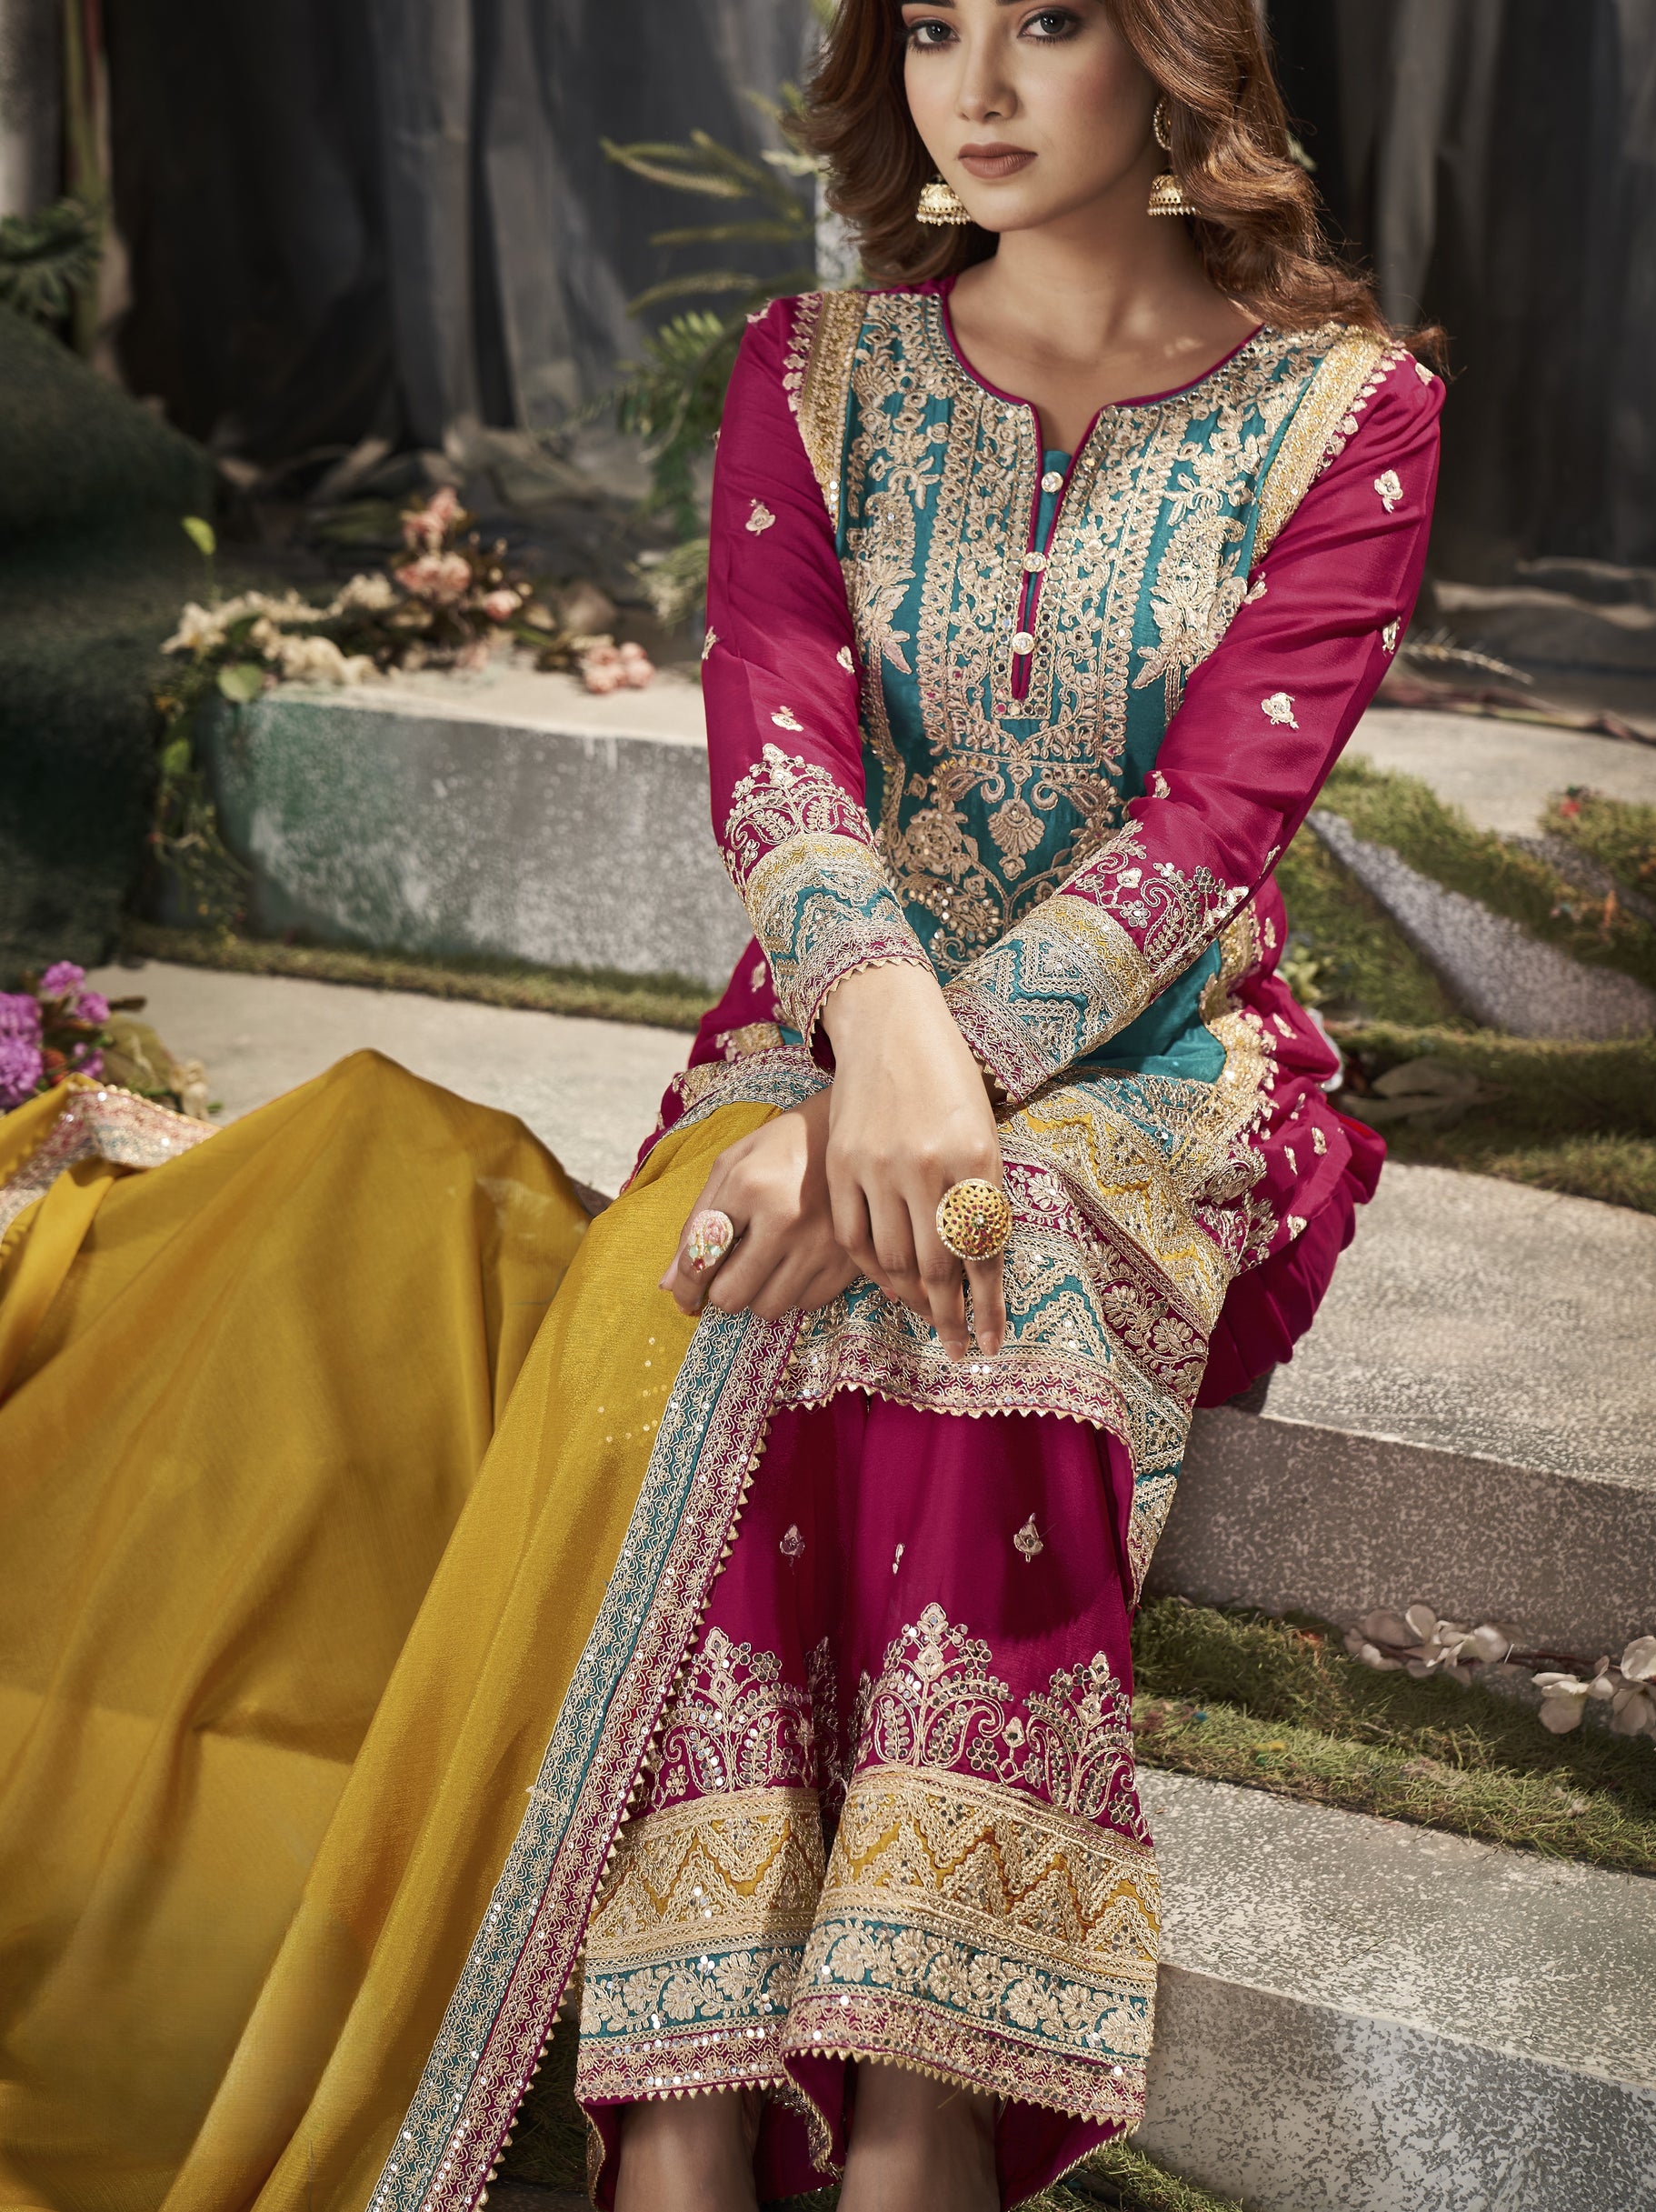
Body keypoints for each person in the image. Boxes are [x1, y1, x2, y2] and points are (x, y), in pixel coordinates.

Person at [0, 1, 1439, 2207]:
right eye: (932, 25)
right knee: (755, 1282)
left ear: (1173, 52)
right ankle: (680, 2102)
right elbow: (776, 752)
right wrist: (871, 1049)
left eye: (1044, 20)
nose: (972, 84)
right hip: (814, 1027)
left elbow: (1212, 829)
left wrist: (938, 1097)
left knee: (988, 1258)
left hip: (1160, 1055)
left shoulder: (1346, 417)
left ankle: (924, 2094)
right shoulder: (813, 372)